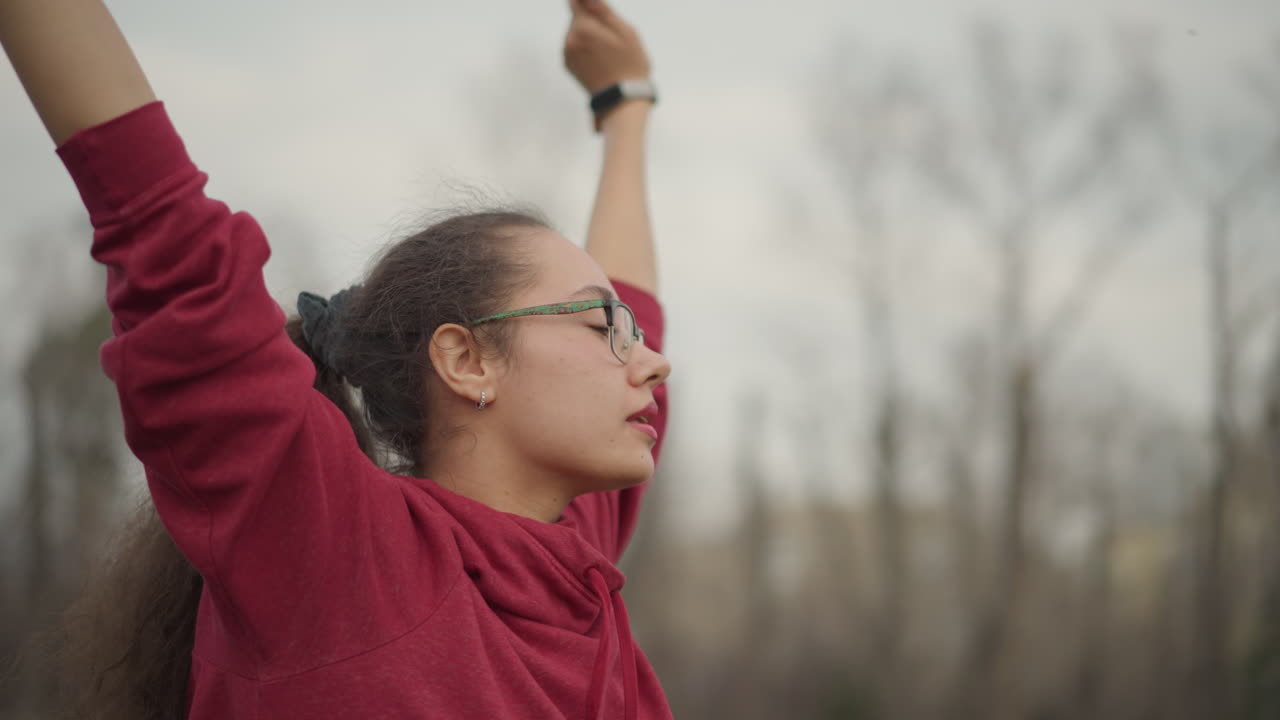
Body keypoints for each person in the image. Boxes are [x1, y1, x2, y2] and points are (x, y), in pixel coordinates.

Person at [1, 0, 674, 717]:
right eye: (603, 325)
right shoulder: (337, 557)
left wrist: (624, 106)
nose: (653, 362)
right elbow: (161, 227)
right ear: (466, 361)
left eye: (629, 331)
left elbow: (636, 296)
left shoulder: (565, 564)